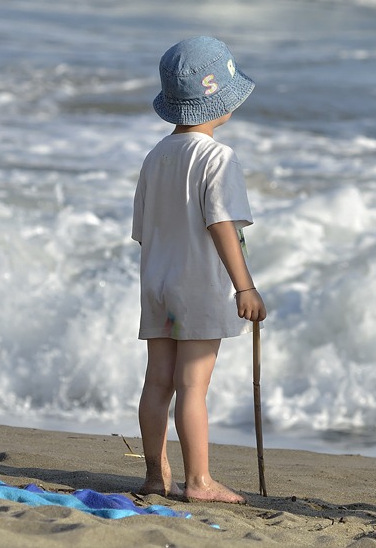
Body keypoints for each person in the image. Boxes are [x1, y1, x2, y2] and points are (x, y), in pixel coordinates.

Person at [131, 36, 267, 504]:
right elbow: (221, 223)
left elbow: (143, 232)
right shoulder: (217, 158)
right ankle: (198, 481)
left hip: (158, 285)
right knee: (193, 384)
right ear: (219, 102)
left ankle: (154, 475)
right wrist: (244, 286)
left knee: (157, 381)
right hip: (198, 287)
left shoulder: (155, 158)